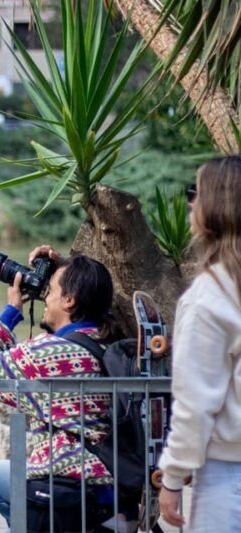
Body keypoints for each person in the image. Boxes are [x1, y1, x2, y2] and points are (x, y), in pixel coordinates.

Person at [0, 247, 123, 530]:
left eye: (49, 290)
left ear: (70, 300)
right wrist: (66, 267)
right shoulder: (111, 340)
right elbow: (95, 295)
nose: (45, 297)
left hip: (72, 487)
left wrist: (10, 313)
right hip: (116, 486)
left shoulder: (49, 354)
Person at [158, 156, 241, 531]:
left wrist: (172, 477)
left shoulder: (210, 296)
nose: (191, 203)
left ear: (214, 210)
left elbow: (195, 404)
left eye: (197, 193)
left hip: (228, 478)